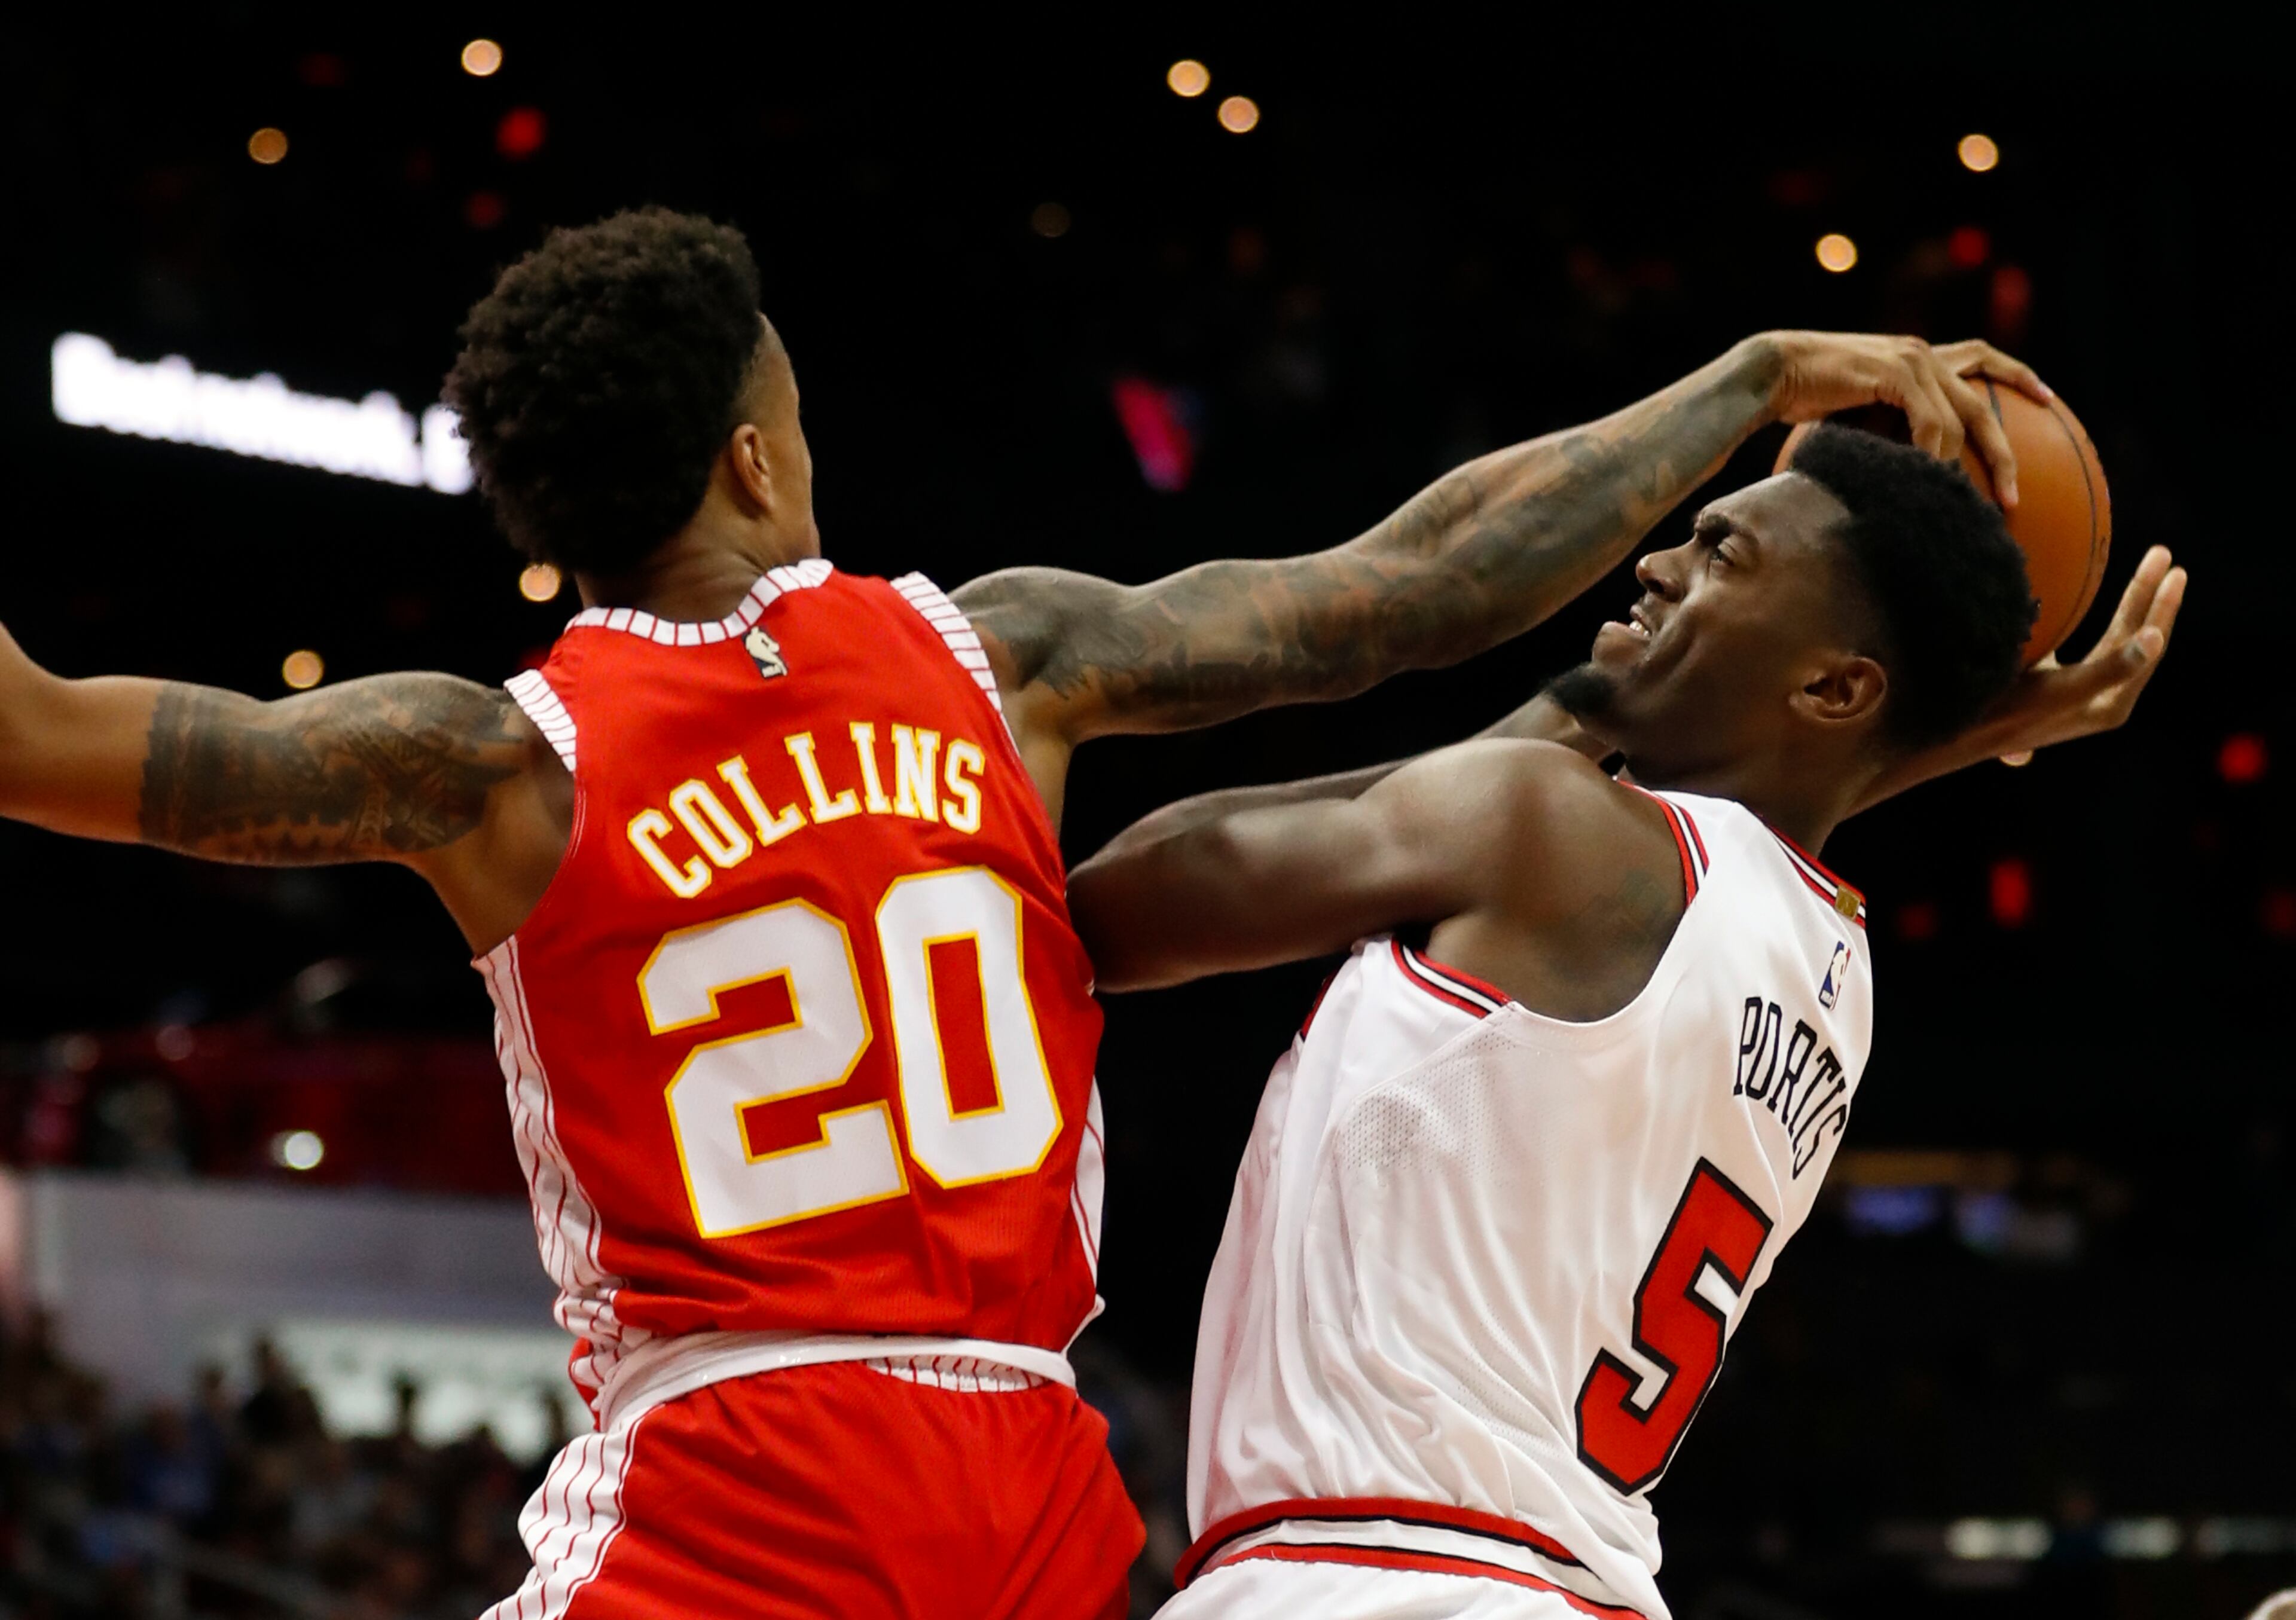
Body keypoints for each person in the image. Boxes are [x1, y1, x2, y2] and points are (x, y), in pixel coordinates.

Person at [0, 205, 2043, 1619]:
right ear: (761, 453)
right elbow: (1426, 578)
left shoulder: (484, 763)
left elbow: (48, 737)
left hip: (744, 1466)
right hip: (1040, 1495)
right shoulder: (1009, 658)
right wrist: (1755, 378)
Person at [1068, 425, 2187, 1620]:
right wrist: (1930, 733)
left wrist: (1575, 704)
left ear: (1831, 685)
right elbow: (1789, 793)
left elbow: (1120, 904)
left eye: (1722, 553)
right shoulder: (1835, 972)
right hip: (1561, 1582)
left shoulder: (1552, 827)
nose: (1656, 564)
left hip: (1378, 1578)